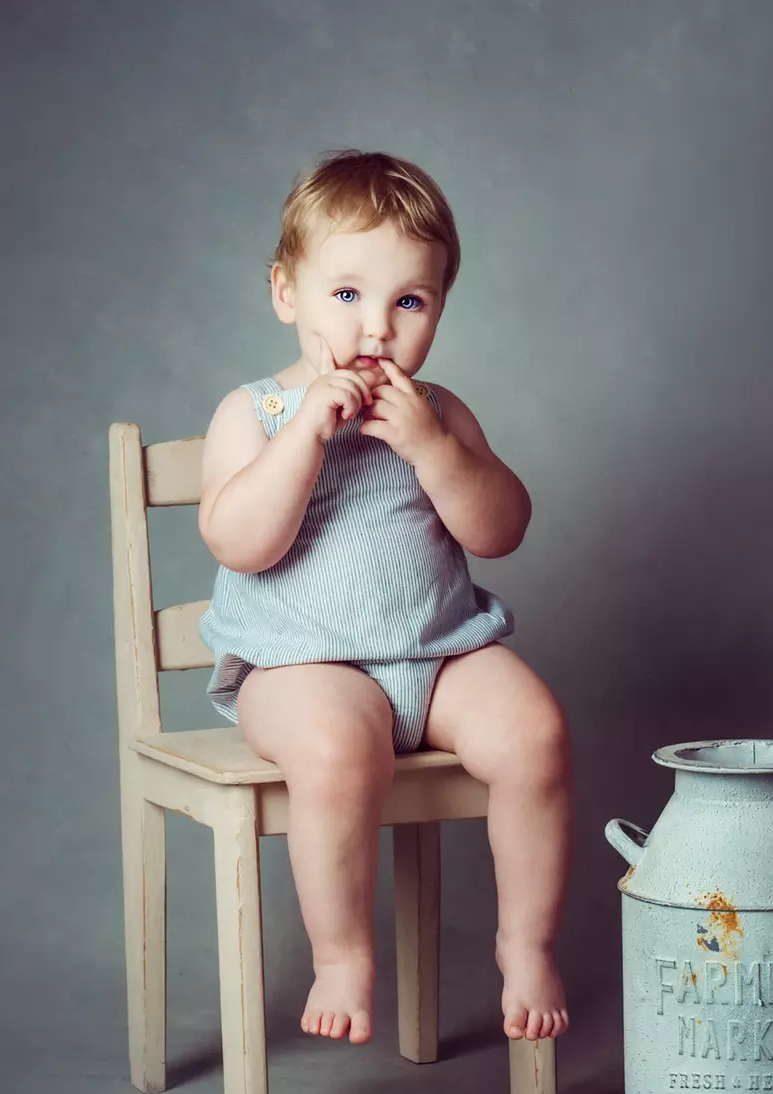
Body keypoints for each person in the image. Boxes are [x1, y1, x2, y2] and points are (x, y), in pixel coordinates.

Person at [197, 150, 572, 1046]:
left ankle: (527, 944)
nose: (377, 329)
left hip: (437, 658)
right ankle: (342, 955)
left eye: (410, 302)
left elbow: (502, 529)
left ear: (440, 307)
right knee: (336, 750)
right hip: (298, 669)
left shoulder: (439, 412)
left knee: (537, 732)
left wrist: (435, 450)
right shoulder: (254, 414)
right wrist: (304, 440)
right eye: (346, 295)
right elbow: (238, 541)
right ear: (286, 292)